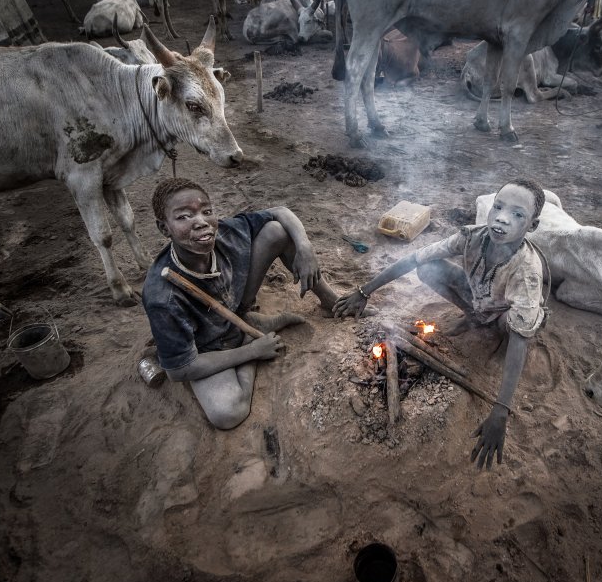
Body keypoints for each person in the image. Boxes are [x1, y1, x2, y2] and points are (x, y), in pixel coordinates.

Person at [333, 180, 547, 469]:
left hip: (503, 314)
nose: (502, 218)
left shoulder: (527, 271)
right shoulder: (472, 237)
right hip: (478, 300)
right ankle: (473, 316)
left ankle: (495, 334)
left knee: (512, 326)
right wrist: (364, 292)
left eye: (518, 214)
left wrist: (501, 410)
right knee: (428, 267)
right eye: (498, 207)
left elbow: (522, 338)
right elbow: (414, 258)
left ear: (532, 226)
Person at [142, 177, 339, 429]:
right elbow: (179, 370)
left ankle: (329, 302)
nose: (201, 222)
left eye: (206, 211)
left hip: (235, 306)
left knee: (276, 231)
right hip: (209, 346)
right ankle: (246, 338)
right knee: (227, 413)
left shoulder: (225, 233)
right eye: (183, 217)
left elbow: (280, 212)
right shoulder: (162, 297)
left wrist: (304, 247)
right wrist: (252, 351)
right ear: (164, 228)